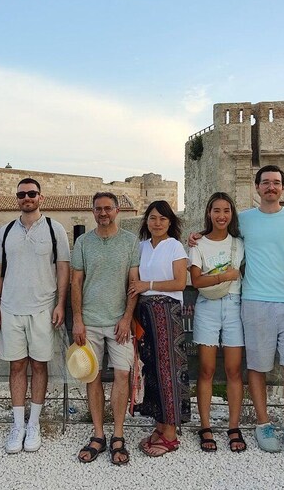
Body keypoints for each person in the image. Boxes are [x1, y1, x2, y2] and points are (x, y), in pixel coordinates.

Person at [190, 166, 284, 455]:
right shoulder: (244, 220)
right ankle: (263, 423)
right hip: (254, 301)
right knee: (257, 367)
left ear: (283, 187)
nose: (271, 187)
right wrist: (196, 236)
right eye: (265, 182)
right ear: (257, 187)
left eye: (276, 182)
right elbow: (219, 233)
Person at [0, 178, 71, 454]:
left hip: (43, 308)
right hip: (11, 308)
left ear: (40, 197)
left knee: (39, 365)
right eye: (22, 194)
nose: (27, 197)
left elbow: (63, 268)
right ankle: (17, 425)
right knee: (16, 366)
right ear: (17, 198)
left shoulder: (55, 229)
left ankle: (33, 423)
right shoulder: (5, 231)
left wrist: (60, 304)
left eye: (32, 193)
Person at [71, 192, 140, 465]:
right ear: (93, 211)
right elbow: (76, 283)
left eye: (108, 208)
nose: (103, 213)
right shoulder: (83, 242)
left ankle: (118, 435)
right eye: (98, 209)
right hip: (89, 321)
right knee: (92, 377)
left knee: (122, 374)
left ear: (117, 210)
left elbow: (133, 283)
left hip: (119, 322)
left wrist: (127, 317)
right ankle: (98, 435)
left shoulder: (130, 241)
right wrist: (78, 319)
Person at [127, 200, 190, 456]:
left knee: (169, 369)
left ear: (170, 222)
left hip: (166, 312)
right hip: (145, 312)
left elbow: (180, 282)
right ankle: (161, 425)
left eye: (163, 218)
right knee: (152, 369)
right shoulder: (140, 247)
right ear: (146, 221)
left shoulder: (175, 246)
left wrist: (147, 285)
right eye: (153, 218)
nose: (157, 223)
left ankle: (171, 433)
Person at [188, 192, 246, 453]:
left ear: (232, 214)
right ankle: (206, 426)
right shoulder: (198, 244)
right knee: (207, 369)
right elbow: (196, 281)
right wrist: (225, 276)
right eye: (216, 210)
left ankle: (234, 426)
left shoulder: (240, 243)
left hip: (234, 305)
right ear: (209, 213)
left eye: (226, 210)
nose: (221, 216)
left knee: (234, 370)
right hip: (207, 307)